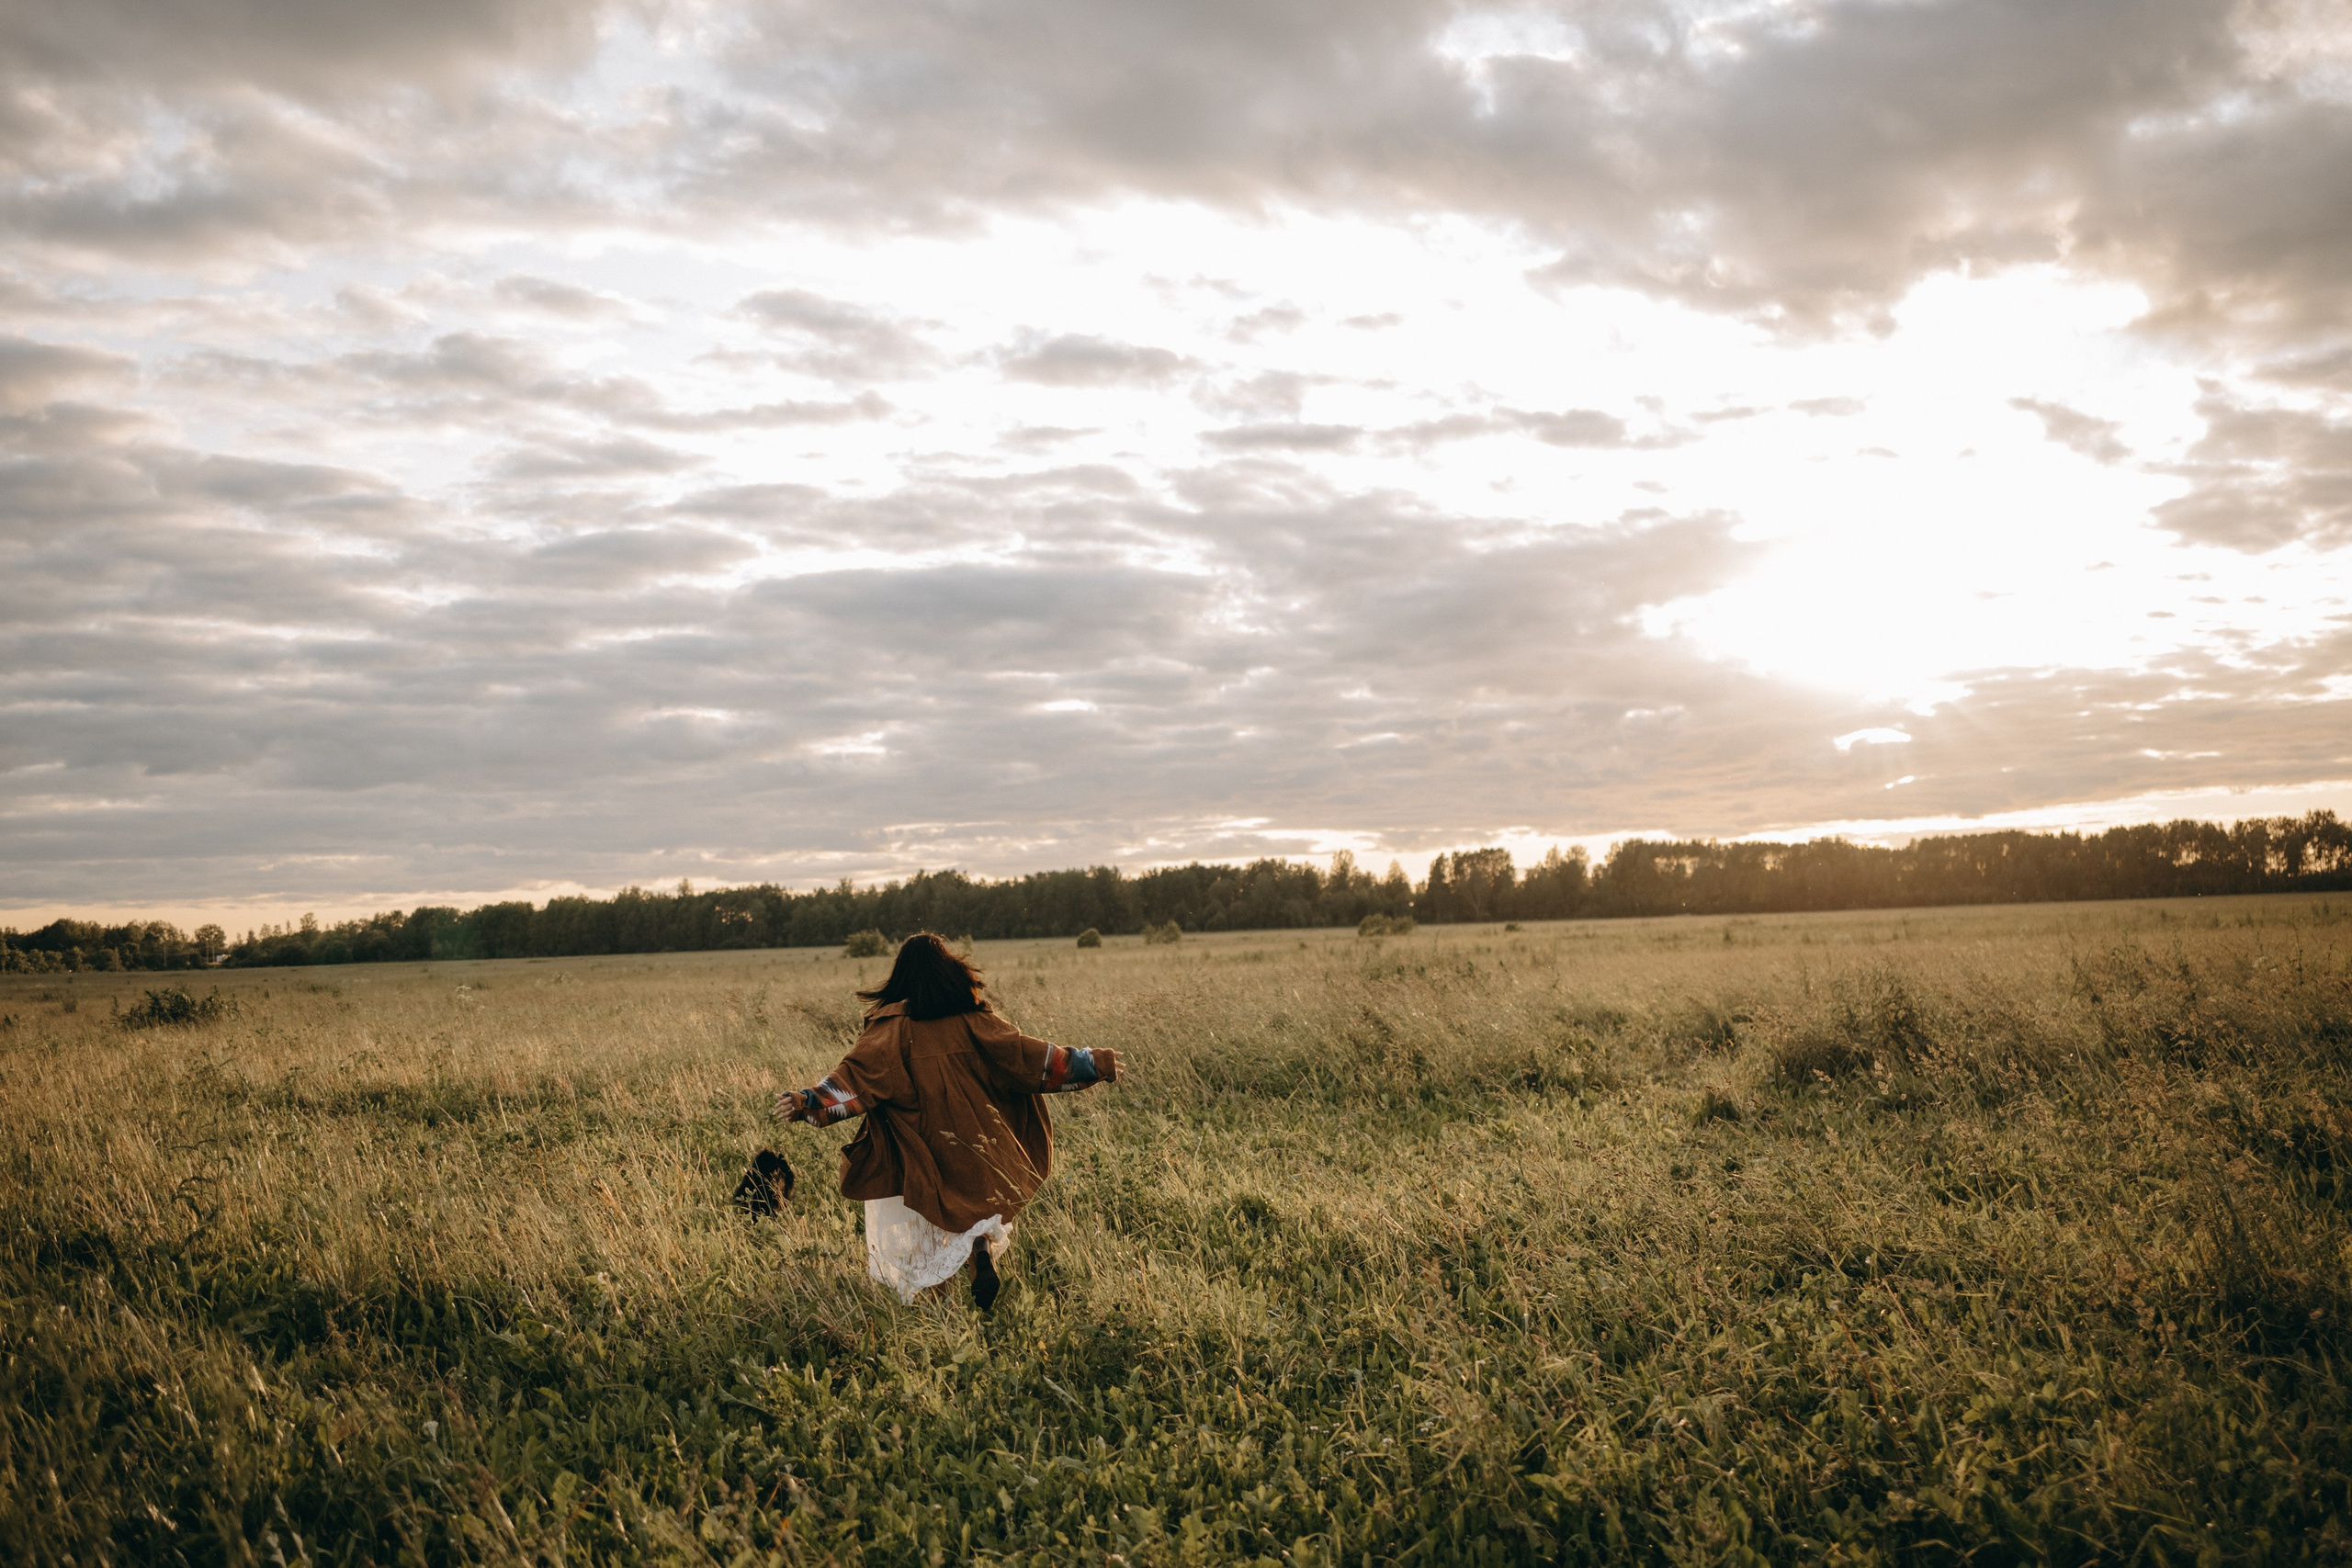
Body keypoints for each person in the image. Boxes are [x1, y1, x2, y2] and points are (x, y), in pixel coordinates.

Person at [772, 931, 1117, 1309]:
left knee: (930, 1223)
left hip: (923, 1147)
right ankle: (980, 1249)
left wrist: (807, 1101)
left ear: (900, 976)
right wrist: (1093, 1062)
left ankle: (943, 1310)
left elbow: (852, 1081)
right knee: (976, 1207)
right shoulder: (975, 1020)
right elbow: (1029, 1058)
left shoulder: (891, 1029)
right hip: (978, 1141)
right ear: (950, 970)